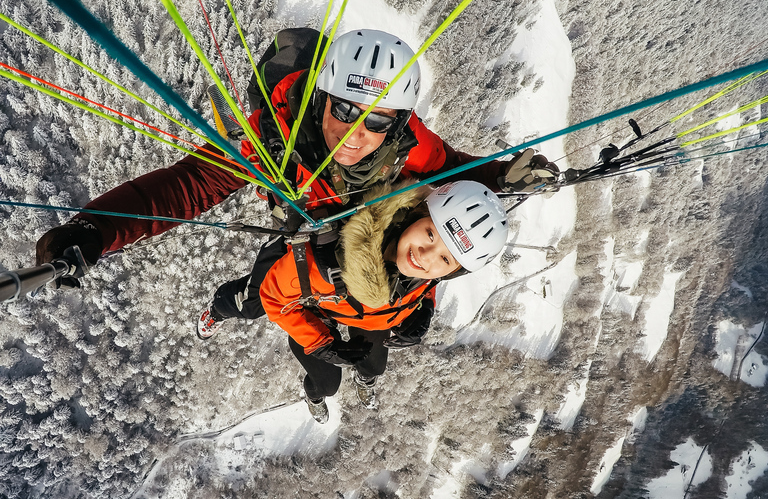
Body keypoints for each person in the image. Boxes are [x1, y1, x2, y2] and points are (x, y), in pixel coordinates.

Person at [35, 28, 557, 312]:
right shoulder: (270, 140)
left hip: (374, 231)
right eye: (345, 110)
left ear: (397, 121)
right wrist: (94, 229)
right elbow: (185, 188)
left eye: (376, 119)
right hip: (309, 217)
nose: (356, 132)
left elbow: (453, 174)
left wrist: (501, 177)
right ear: (322, 98)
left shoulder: (411, 147)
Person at [255, 180, 508, 423]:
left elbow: (429, 282)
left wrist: (425, 307)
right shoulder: (319, 265)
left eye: (445, 260)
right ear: (416, 212)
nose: (425, 257)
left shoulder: (425, 274)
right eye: (430, 234)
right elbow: (273, 298)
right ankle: (315, 395)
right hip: (323, 313)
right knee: (327, 383)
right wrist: (320, 343)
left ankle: (364, 380)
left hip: (374, 320)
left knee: (374, 368)